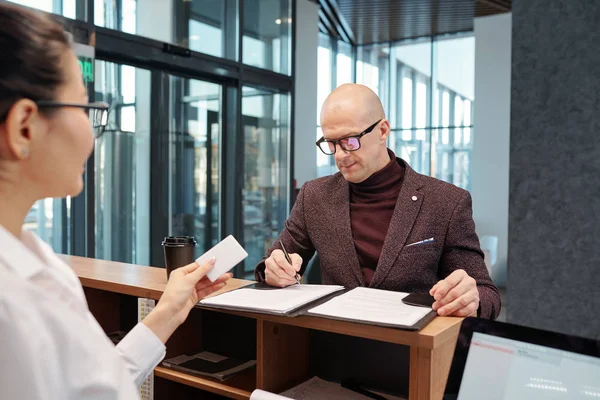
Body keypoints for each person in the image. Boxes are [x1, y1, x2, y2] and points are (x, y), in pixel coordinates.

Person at [0, 4, 230, 399]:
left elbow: (89, 387)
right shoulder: (10, 305)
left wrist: (169, 312)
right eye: (87, 108)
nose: (93, 135)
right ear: (25, 127)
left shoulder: (34, 258)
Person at [255, 83, 501, 320]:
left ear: (383, 131)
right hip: (331, 343)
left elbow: (487, 294)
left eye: (350, 141)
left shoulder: (446, 202)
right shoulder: (315, 197)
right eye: (331, 144)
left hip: (413, 351)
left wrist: (472, 299)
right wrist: (274, 270)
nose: (340, 156)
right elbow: (274, 261)